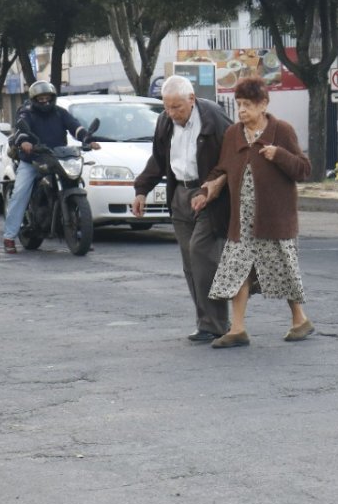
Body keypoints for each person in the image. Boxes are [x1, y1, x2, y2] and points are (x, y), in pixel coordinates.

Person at [192, 76, 313, 348]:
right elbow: (221, 169)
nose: (242, 109)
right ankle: (237, 329)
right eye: (239, 104)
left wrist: (279, 155)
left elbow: (304, 170)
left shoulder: (281, 130)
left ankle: (300, 320)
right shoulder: (234, 134)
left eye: (248, 104)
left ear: (263, 105)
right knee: (238, 271)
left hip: (273, 220)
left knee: (283, 270)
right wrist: (204, 192)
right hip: (242, 221)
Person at [132, 75, 233, 342]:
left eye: (177, 107)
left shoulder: (213, 116)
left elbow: (233, 153)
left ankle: (218, 323)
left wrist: (214, 185)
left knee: (202, 256)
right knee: (190, 263)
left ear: (191, 99)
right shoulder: (165, 121)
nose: (172, 113)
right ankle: (206, 323)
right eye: (167, 106)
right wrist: (142, 189)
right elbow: (159, 157)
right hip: (180, 194)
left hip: (208, 195)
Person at [2, 80, 100, 254]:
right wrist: (25, 141)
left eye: (48, 97)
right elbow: (21, 129)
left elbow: (75, 127)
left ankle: (81, 234)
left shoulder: (60, 113)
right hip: (33, 159)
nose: (45, 101)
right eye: (41, 98)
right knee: (20, 193)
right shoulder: (26, 113)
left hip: (57, 157)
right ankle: (9, 237)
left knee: (74, 183)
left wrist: (87, 139)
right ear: (34, 99)